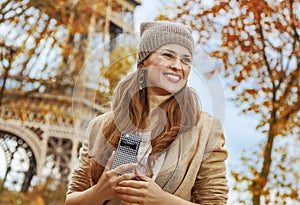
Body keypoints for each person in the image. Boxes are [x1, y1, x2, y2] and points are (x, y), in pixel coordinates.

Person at [65, 21, 228, 205]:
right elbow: (72, 200)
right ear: (144, 62)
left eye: (186, 60)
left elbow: (215, 202)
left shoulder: (206, 129)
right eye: (168, 55)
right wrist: (99, 192)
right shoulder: (101, 126)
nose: (177, 66)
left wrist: (161, 200)